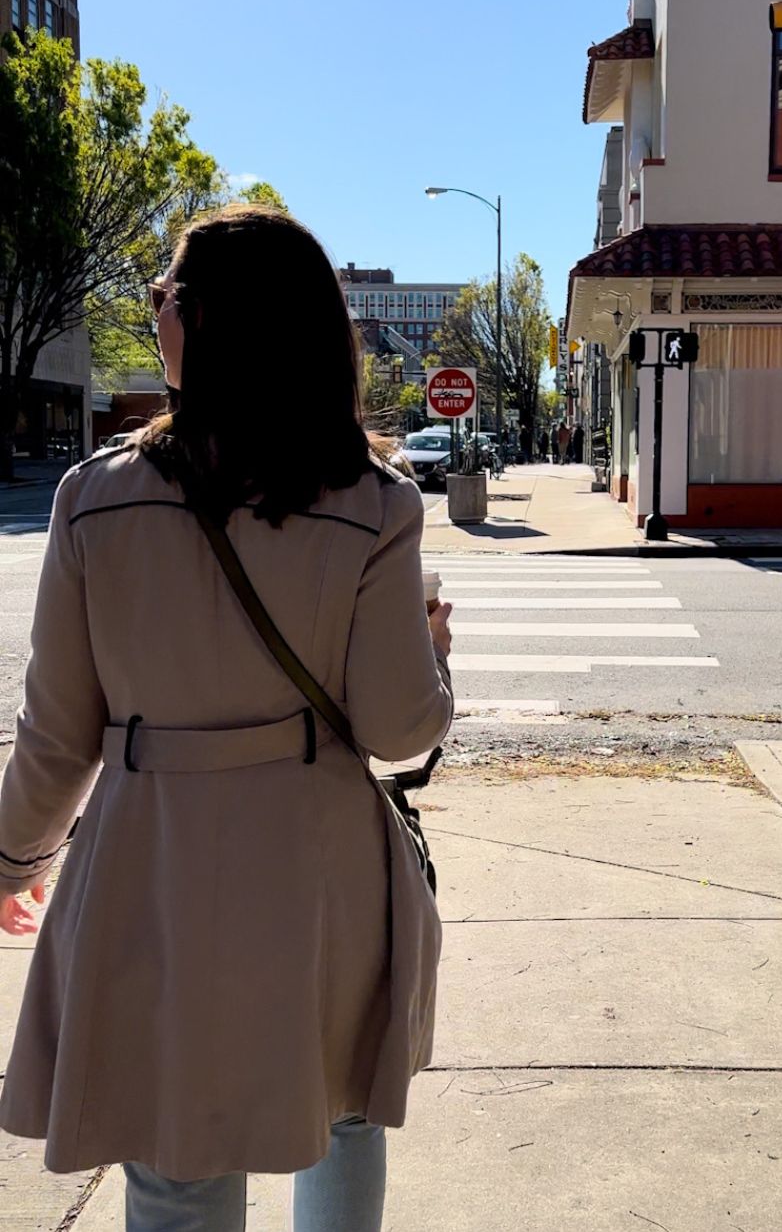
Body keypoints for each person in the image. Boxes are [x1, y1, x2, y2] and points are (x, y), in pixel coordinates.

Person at [0, 205, 455, 1230]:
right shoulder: (374, 502)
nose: (154, 312)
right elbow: (398, 727)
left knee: (176, 1154)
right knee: (339, 1110)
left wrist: (12, 861)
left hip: (151, 864)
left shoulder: (93, 501)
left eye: (164, 296)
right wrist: (432, 652)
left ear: (204, 322)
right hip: (319, 864)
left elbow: (57, 734)